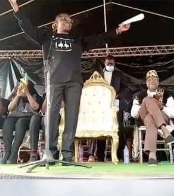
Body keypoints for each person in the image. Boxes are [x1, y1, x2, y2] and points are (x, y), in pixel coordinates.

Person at [9, 0, 131, 161]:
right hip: (54, 81)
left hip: (74, 82)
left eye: (70, 21)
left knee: (72, 116)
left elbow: (99, 39)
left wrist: (117, 31)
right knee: (51, 116)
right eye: (64, 20)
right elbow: (28, 29)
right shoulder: (47, 39)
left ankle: (67, 154)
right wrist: (18, 12)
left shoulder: (77, 40)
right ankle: (51, 154)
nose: (68, 22)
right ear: (55, 23)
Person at [130, 70, 174, 165]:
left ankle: (152, 155)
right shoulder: (139, 95)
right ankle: (164, 130)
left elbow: (173, 114)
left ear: (158, 81)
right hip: (143, 117)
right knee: (147, 100)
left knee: (149, 118)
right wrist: (148, 104)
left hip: (161, 118)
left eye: (154, 78)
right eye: (149, 79)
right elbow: (133, 114)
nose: (152, 80)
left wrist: (162, 107)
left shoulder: (167, 95)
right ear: (146, 82)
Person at [1, 79, 42, 164]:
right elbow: (9, 108)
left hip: (28, 117)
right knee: (7, 123)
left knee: (20, 123)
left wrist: (27, 93)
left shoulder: (34, 95)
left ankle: (14, 153)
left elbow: (36, 107)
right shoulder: (16, 96)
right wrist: (18, 95)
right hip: (14, 116)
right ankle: (7, 152)